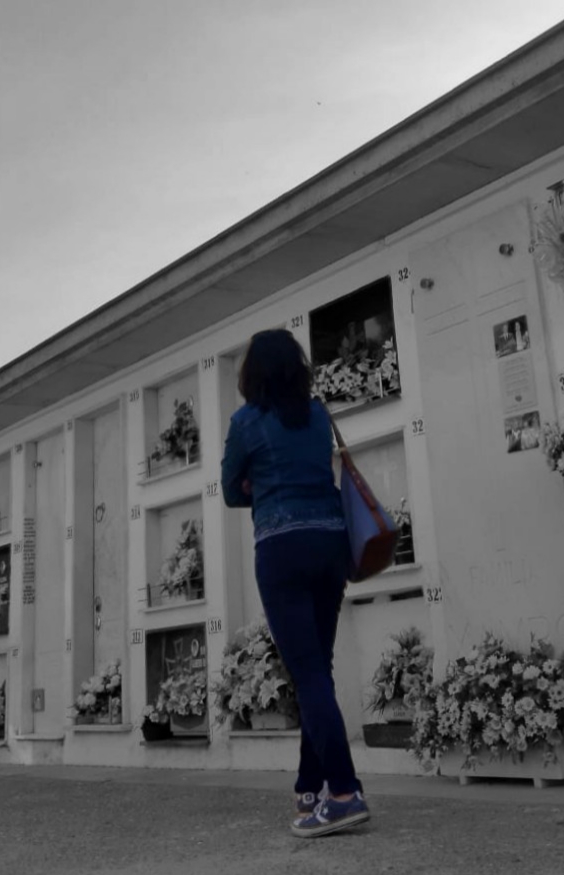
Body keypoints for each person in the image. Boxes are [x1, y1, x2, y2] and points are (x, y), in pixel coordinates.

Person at [221, 328, 369, 839]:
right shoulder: (318, 415)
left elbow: (230, 491)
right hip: (330, 546)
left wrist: (256, 484)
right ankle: (310, 786)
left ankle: (344, 793)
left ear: (252, 374)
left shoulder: (245, 422)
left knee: (308, 674)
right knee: (316, 670)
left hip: (282, 549)